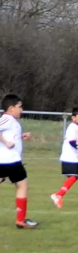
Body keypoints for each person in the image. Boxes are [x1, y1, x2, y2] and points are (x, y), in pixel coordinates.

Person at [0, 94, 38, 229]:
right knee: (22, 186)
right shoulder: (7, 119)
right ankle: (20, 220)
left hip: (11, 161)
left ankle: (21, 220)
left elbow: (10, 136)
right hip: (8, 161)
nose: (21, 110)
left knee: (22, 186)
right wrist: (6, 142)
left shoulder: (12, 121)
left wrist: (20, 137)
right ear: (11, 108)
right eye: (19, 107)